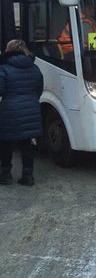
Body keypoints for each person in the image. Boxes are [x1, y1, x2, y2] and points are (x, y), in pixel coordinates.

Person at [0, 39, 44, 186]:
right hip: (31, 108)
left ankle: (5, 175)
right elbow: (39, 89)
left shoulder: (4, 68)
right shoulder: (35, 68)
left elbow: (1, 90)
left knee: (6, 142)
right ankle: (28, 176)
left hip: (9, 109)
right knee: (27, 143)